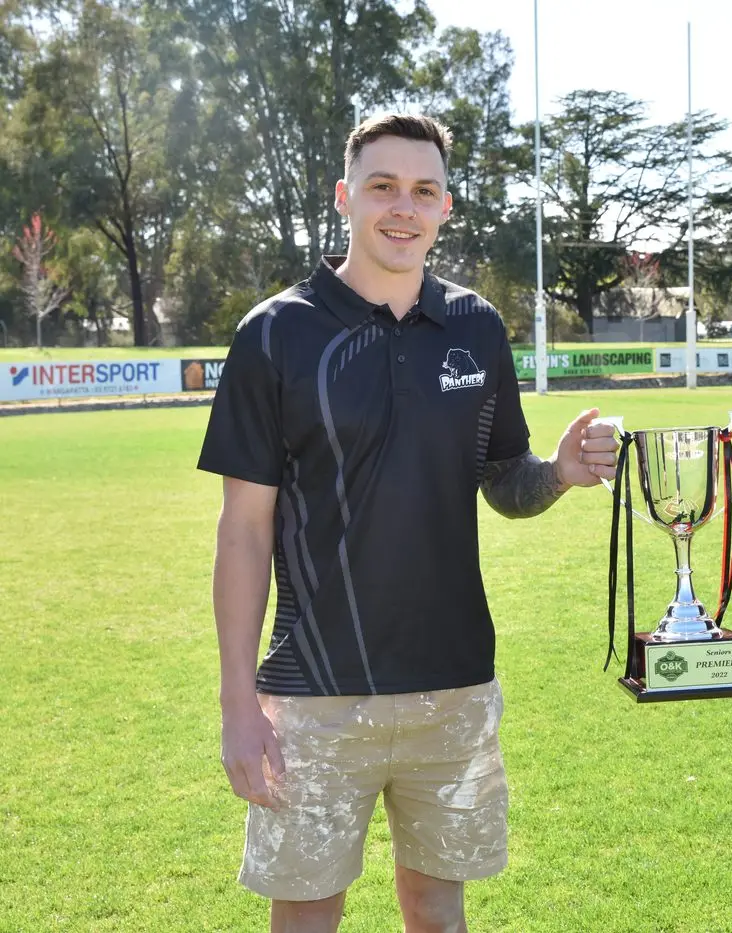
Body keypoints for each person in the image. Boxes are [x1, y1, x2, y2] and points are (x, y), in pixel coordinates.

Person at [197, 113, 618, 933]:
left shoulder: (476, 326)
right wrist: (237, 703)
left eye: (424, 190)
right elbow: (243, 531)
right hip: (315, 696)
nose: (403, 206)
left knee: (437, 911)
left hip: (453, 687)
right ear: (345, 195)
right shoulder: (275, 332)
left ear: (446, 207)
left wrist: (559, 474)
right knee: (306, 915)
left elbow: (505, 480)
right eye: (383, 185)